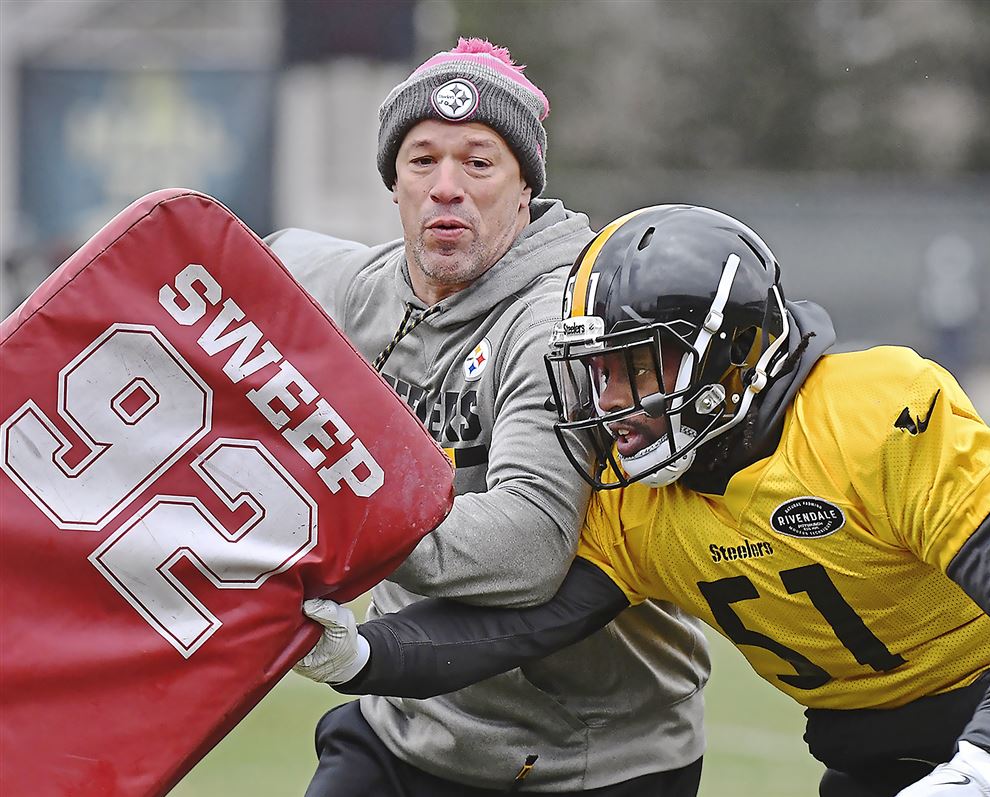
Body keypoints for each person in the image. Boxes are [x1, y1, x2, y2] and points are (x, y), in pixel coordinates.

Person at [294, 205, 990, 797]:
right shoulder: (636, 499)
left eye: (637, 365)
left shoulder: (871, 410)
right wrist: (365, 656)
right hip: (882, 742)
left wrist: (989, 755)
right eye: (598, 368)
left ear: (729, 356)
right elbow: (516, 624)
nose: (609, 398)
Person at [269, 42, 710, 795]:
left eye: (478, 164)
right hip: (402, 721)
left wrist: (321, 517)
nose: (447, 188)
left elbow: (527, 543)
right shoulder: (359, 289)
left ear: (523, 189)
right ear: (393, 184)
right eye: (421, 161)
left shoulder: (561, 321)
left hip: (586, 751)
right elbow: (230, 264)